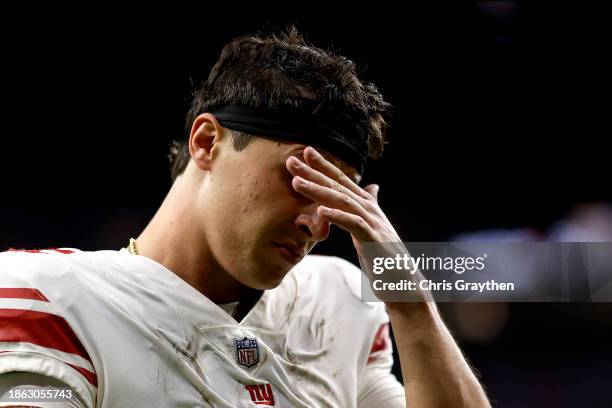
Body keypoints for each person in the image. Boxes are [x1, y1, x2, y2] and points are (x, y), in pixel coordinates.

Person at [0, 29, 490, 407]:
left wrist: (411, 303)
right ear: (207, 143)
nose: (319, 225)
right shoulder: (48, 298)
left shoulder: (336, 304)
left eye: (337, 195)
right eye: (301, 179)